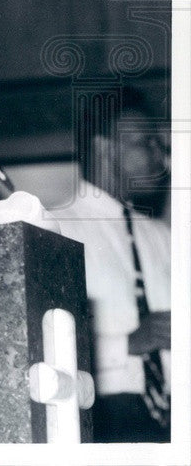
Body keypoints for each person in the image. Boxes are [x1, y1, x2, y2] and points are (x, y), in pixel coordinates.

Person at [44, 87, 171, 443]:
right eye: (146, 143)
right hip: (102, 417)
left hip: (171, 417)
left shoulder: (160, 235)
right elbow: (44, 341)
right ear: (105, 148)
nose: (160, 157)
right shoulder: (54, 228)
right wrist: (128, 344)